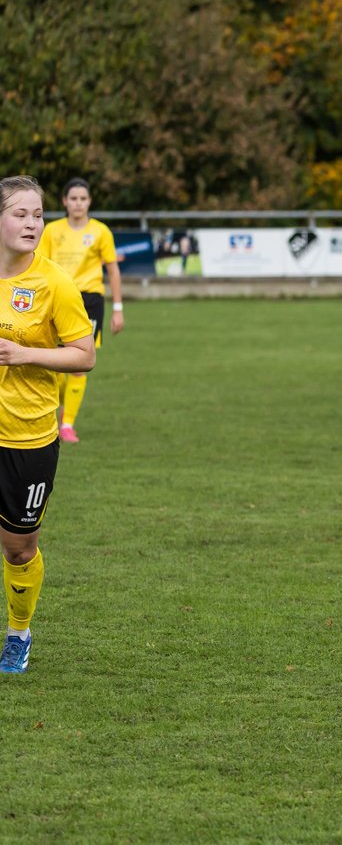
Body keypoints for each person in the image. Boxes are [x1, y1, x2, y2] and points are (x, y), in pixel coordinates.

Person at [0, 175, 96, 673]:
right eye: (21, 214)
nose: (33, 223)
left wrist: (23, 354)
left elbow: (85, 356)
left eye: (37, 215)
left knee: (18, 550)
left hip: (28, 438)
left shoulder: (55, 282)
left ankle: (18, 632)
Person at [34, 177, 123, 444]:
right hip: (56, 297)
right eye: (73, 198)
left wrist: (118, 308)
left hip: (90, 301)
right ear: (64, 201)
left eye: (83, 199)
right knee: (57, 361)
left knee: (78, 365)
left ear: (89, 202)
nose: (78, 203)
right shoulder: (51, 231)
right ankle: (54, 414)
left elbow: (112, 269)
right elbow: (39, 264)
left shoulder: (100, 232)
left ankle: (68, 424)